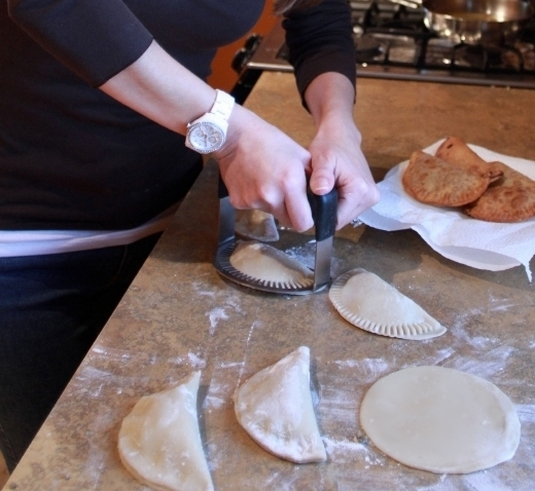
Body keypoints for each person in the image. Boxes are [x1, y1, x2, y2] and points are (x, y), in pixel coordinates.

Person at [0, 0, 379, 472]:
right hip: (20, 251)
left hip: (170, 227)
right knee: (62, 470)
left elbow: (316, 16)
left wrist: (339, 126)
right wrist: (231, 132)